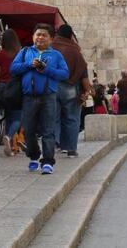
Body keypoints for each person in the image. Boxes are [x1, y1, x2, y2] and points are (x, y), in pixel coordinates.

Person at [11, 23, 69, 175]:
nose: (40, 37)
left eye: (44, 35)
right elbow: (14, 68)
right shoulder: (25, 52)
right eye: (38, 34)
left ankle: (48, 161)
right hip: (29, 97)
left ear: (50, 39)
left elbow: (64, 74)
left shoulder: (56, 55)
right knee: (29, 130)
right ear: (33, 37)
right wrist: (29, 65)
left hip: (49, 96)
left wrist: (46, 69)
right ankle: (34, 155)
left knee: (48, 130)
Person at [51, 24, 91, 159]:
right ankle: (71, 149)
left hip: (52, 86)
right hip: (70, 88)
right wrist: (87, 90)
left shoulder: (50, 48)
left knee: (53, 116)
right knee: (72, 118)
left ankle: (56, 143)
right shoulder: (76, 52)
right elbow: (83, 73)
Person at [0, 28, 22, 157]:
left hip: (3, 86)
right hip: (16, 86)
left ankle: (10, 146)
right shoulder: (20, 53)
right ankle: (8, 136)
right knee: (19, 117)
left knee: (8, 116)